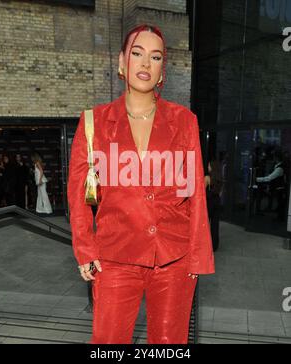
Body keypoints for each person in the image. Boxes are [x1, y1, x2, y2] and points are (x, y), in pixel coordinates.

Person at [67, 24, 215, 344]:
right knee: (109, 343)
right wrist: (84, 248)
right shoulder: (93, 122)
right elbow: (79, 195)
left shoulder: (184, 121)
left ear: (162, 71)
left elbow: (196, 193)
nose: (146, 63)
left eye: (156, 56)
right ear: (122, 62)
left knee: (168, 345)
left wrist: (197, 256)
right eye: (137, 53)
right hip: (115, 258)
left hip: (174, 259)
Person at [256, 150, 287, 222]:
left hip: (280, 188)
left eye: (274, 157)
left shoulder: (279, 168)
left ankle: (280, 219)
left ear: (276, 158)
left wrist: (257, 179)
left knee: (280, 204)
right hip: (279, 188)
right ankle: (279, 218)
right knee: (280, 204)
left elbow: (269, 178)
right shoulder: (278, 166)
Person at [204, 159, 222, 252]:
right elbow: (221, 193)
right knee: (215, 224)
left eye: (209, 165)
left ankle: (205, 244)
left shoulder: (207, 178)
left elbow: (201, 191)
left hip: (209, 202)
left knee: (205, 224)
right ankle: (214, 245)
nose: (208, 167)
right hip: (217, 201)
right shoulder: (220, 178)